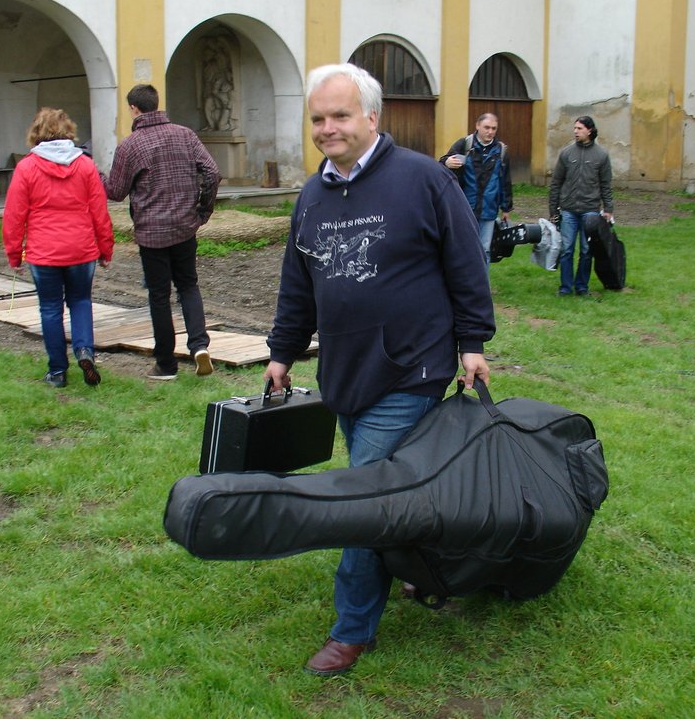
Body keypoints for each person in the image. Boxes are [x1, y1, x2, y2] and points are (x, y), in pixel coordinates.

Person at [264, 64, 495, 677]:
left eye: (339, 115)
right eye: (317, 118)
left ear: (372, 116)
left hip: (409, 372)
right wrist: (283, 352)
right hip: (345, 373)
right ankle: (428, 570)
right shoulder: (312, 195)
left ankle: (351, 630)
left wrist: (472, 341)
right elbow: (298, 287)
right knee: (400, 490)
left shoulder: (422, 180)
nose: (327, 128)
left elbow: (466, 264)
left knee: (362, 500)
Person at [103, 83, 220, 380]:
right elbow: (212, 172)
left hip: (151, 233)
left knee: (159, 295)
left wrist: (96, 176)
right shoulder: (185, 135)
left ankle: (165, 364)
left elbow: (115, 192)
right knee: (188, 286)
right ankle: (199, 345)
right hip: (185, 226)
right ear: (157, 104)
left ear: (133, 108)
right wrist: (203, 210)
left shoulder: (130, 145)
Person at [2, 107, 114, 388]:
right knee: (80, 302)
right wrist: (105, 248)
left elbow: (14, 215)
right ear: (68, 132)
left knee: (50, 308)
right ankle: (85, 350)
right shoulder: (86, 165)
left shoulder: (27, 167)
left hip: (44, 252)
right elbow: (100, 211)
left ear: (37, 132)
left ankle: (57, 371)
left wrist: (14, 253)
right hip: (81, 249)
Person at [548, 115, 614, 296]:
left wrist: (608, 209)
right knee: (567, 249)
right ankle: (565, 287)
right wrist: (553, 210)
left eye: (579, 128)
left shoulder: (601, 155)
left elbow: (605, 184)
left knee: (586, 251)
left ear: (589, 131)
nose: (575, 131)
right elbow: (556, 183)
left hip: (590, 211)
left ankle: (582, 287)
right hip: (568, 210)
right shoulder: (567, 153)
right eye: (575, 128)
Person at [438, 113, 513, 265]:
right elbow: (441, 166)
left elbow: (505, 180)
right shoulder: (465, 145)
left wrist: (506, 208)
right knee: (462, 248)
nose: (490, 132)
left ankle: (481, 287)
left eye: (493, 128)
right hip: (465, 208)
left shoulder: (501, 151)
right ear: (477, 126)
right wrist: (446, 162)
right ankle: (461, 284)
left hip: (489, 210)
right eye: (487, 127)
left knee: (484, 250)